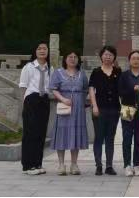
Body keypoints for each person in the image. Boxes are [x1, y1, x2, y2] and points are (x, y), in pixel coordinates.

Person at [50, 51, 89, 176]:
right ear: (65, 59)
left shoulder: (82, 74)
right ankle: (61, 164)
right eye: (70, 57)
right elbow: (53, 89)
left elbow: (86, 89)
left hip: (78, 108)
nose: (73, 59)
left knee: (76, 134)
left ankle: (74, 164)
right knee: (61, 134)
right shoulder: (58, 72)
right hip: (64, 106)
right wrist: (63, 99)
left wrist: (81, 101)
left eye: (75, 57)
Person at [19, 42, 53, 176]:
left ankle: (38, 163)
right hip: (31, 100)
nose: (42, 51)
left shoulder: (50, 68)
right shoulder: (28, 67)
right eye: (39, 48)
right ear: (35, 51)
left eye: (44, 48)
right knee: (30, 133)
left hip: (44, 100)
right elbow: (23, 86)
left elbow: (51, 87)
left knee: (41, 133)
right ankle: (28, 165)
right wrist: (24, 104)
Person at [88, 46, 121, 176]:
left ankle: (109, 166)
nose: (108, 57)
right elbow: (91, 89)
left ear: (114, 57)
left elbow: (122, 90)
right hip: (99, 108)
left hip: (114, 109)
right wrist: (94, 106)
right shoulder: (96, 72)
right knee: (99, 137)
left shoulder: (118, 71)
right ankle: (98, 165)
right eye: (106, 54)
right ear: (101, 56)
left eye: (110, 55)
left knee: (110, 138)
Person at [119, 50, 139, 177]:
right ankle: (127, 165)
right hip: (127, 108)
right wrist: (132, 89)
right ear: (129, 60)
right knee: (127, 138)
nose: (136, 60)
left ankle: (136, 164)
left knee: (138, 138)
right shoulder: (124, 75)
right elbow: (120, 92)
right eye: (133, 58)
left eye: (138, 58)